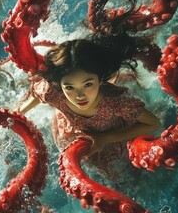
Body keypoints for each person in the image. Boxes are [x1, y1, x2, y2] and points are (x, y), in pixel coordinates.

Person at [17, 35, 161, 172]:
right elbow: (38, 93)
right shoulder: (53, 93)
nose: (80, 96)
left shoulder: (116, 102)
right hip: (72, 132)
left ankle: (118, 78)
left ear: (100, 79)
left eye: (88, 84)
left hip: (110, 136)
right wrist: (19, 112)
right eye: (69, 87)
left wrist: (106, 138)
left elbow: (154, 123)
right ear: (60, 85)